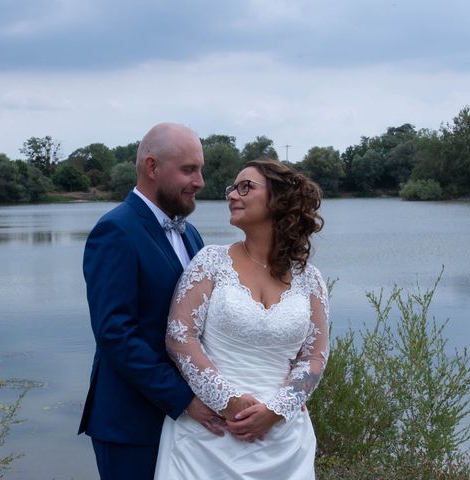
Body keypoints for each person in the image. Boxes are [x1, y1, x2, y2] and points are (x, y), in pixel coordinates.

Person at [154, 159, 329, 479]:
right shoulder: (211, 262)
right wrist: (227, 402)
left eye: (245, 187)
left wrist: (279, 410)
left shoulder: (310, 280)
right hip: (209, 436)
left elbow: (314, 356)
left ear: (279, 199)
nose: (232, 195)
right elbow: (180, 337)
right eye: (232, 188)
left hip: (283, 441)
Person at [79, 123, 225, 480]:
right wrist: (184, 399)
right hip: (131, 425)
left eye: (200, 169)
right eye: (189, 169)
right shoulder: (115, 230)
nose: (200, 181)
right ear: (152, 167)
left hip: (186, 420)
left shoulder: (190, 233)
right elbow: (116, 334)